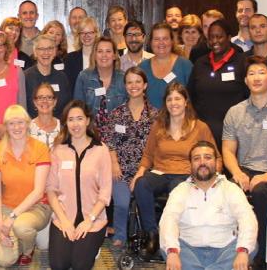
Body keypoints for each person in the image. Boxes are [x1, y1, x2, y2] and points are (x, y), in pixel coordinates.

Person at [222, 55, 267, 268]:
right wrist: (237, 173)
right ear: (245, 80)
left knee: (261, 192)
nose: (256, 78)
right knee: (224, 189)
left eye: (261, 73)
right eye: (251, 73)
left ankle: (260, 256)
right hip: (243, 170)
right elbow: (227, 150)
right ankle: (224, 252)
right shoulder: (235, 112)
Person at [131, 83, 218, 256]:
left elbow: (215, 157)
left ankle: (173, 238)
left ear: (186, 102)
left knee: (177, 189)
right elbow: (148, 155)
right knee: (142, 185)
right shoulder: (159, 126)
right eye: (169, 99)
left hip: (187, 174)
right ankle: (153, 234)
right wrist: (138, 174)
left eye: (178, 98)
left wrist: (211, 178)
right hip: (161, 172)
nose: (173, 103)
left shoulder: (200, 127)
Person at [160, 141, 258, 270]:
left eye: (207, 157)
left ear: (217, 162)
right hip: (188, 251)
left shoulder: (231, 189)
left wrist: (242, 251)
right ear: (190, 164)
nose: (202, 162)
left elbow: (247, 219)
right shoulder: (180, 190)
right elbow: (168, 220)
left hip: (226, 250)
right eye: (196, 158)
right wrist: (172, 252)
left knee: (249, 247)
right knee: (168, 249)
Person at [46, 100, 112, 270]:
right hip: (64, 217)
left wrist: (89, 220)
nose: (75, 124)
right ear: (66, 123)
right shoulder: (58, 150)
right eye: (71, 119)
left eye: (79, 119)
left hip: (93, 219)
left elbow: (105, 192)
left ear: (88, 120)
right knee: (59, 265)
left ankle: (92, 249)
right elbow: (51, 189)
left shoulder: (101, 150)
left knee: (79, 265)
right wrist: (64, 220)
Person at [0, 105, 52, 267]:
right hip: (7, 207)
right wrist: (0, 224)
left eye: (20, 122)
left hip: (37, 207)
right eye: (11, 123)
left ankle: (28, 249)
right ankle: (14, 238)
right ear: (6, 127)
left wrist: (11, 218)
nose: (16, 127)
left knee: (21, 227)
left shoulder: (40, 149)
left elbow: (38, 192)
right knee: (5, 261)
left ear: (27, 124)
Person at [104, 66, 159, 249]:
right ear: (125, 86)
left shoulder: (155, 115)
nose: (133, 85)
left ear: (145, 85)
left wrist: (144, 170)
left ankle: (148, 235)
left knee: (145, 199)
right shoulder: (116, 113)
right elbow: (109, 142)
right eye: (129, 82)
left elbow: (158, 146)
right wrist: (114, 164)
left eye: (137, 81)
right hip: (120, 170)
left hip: (146, 171)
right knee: (121, 203)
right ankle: (120, 234)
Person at [189, 19, 249, 148]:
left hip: (234, 134)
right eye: (211, 38)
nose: (214, 41)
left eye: (219, 37)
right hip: (203, 134)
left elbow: (249, 97)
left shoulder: (242, 62)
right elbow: (191, 96)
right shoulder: (200, 63)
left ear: (229, 38)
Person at [140, 22, 193, 109]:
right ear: (151, 42)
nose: (161, 43)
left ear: (172, 41)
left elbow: (193, 100)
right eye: (156, 39)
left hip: (179, 121)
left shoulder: (185, 66)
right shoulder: (142, 68)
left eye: (165, 38)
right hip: (150, 121)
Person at [73, 37, 126, 119]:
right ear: (94, 55)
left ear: (114, 55)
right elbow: (78, 109)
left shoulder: (124, 78)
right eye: (100, 51)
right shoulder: (83, 77)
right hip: (90, 130)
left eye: (108, 51)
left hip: (118, 129)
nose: (104, 55)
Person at [24, 34, 70, 119]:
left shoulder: (62, 78)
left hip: (58, 128)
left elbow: (67, 108)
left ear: (55, 51)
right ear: (35, 52)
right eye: (41, 49)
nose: (46, 53)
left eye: (50, 48)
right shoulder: (25, 77)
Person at [64, 17, 100, 88]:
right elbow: (68, 86)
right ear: (79, 35)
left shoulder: (103, 57)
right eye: (82, 33)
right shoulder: (70, 58)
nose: (86, 36)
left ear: (96, 34)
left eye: (90, 32)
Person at [29, 83, 62, 149]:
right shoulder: (27, 129)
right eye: (40, 97)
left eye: (49, 97)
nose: (44, 101)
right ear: (35, 102)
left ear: (55, 102)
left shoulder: (63, 127)